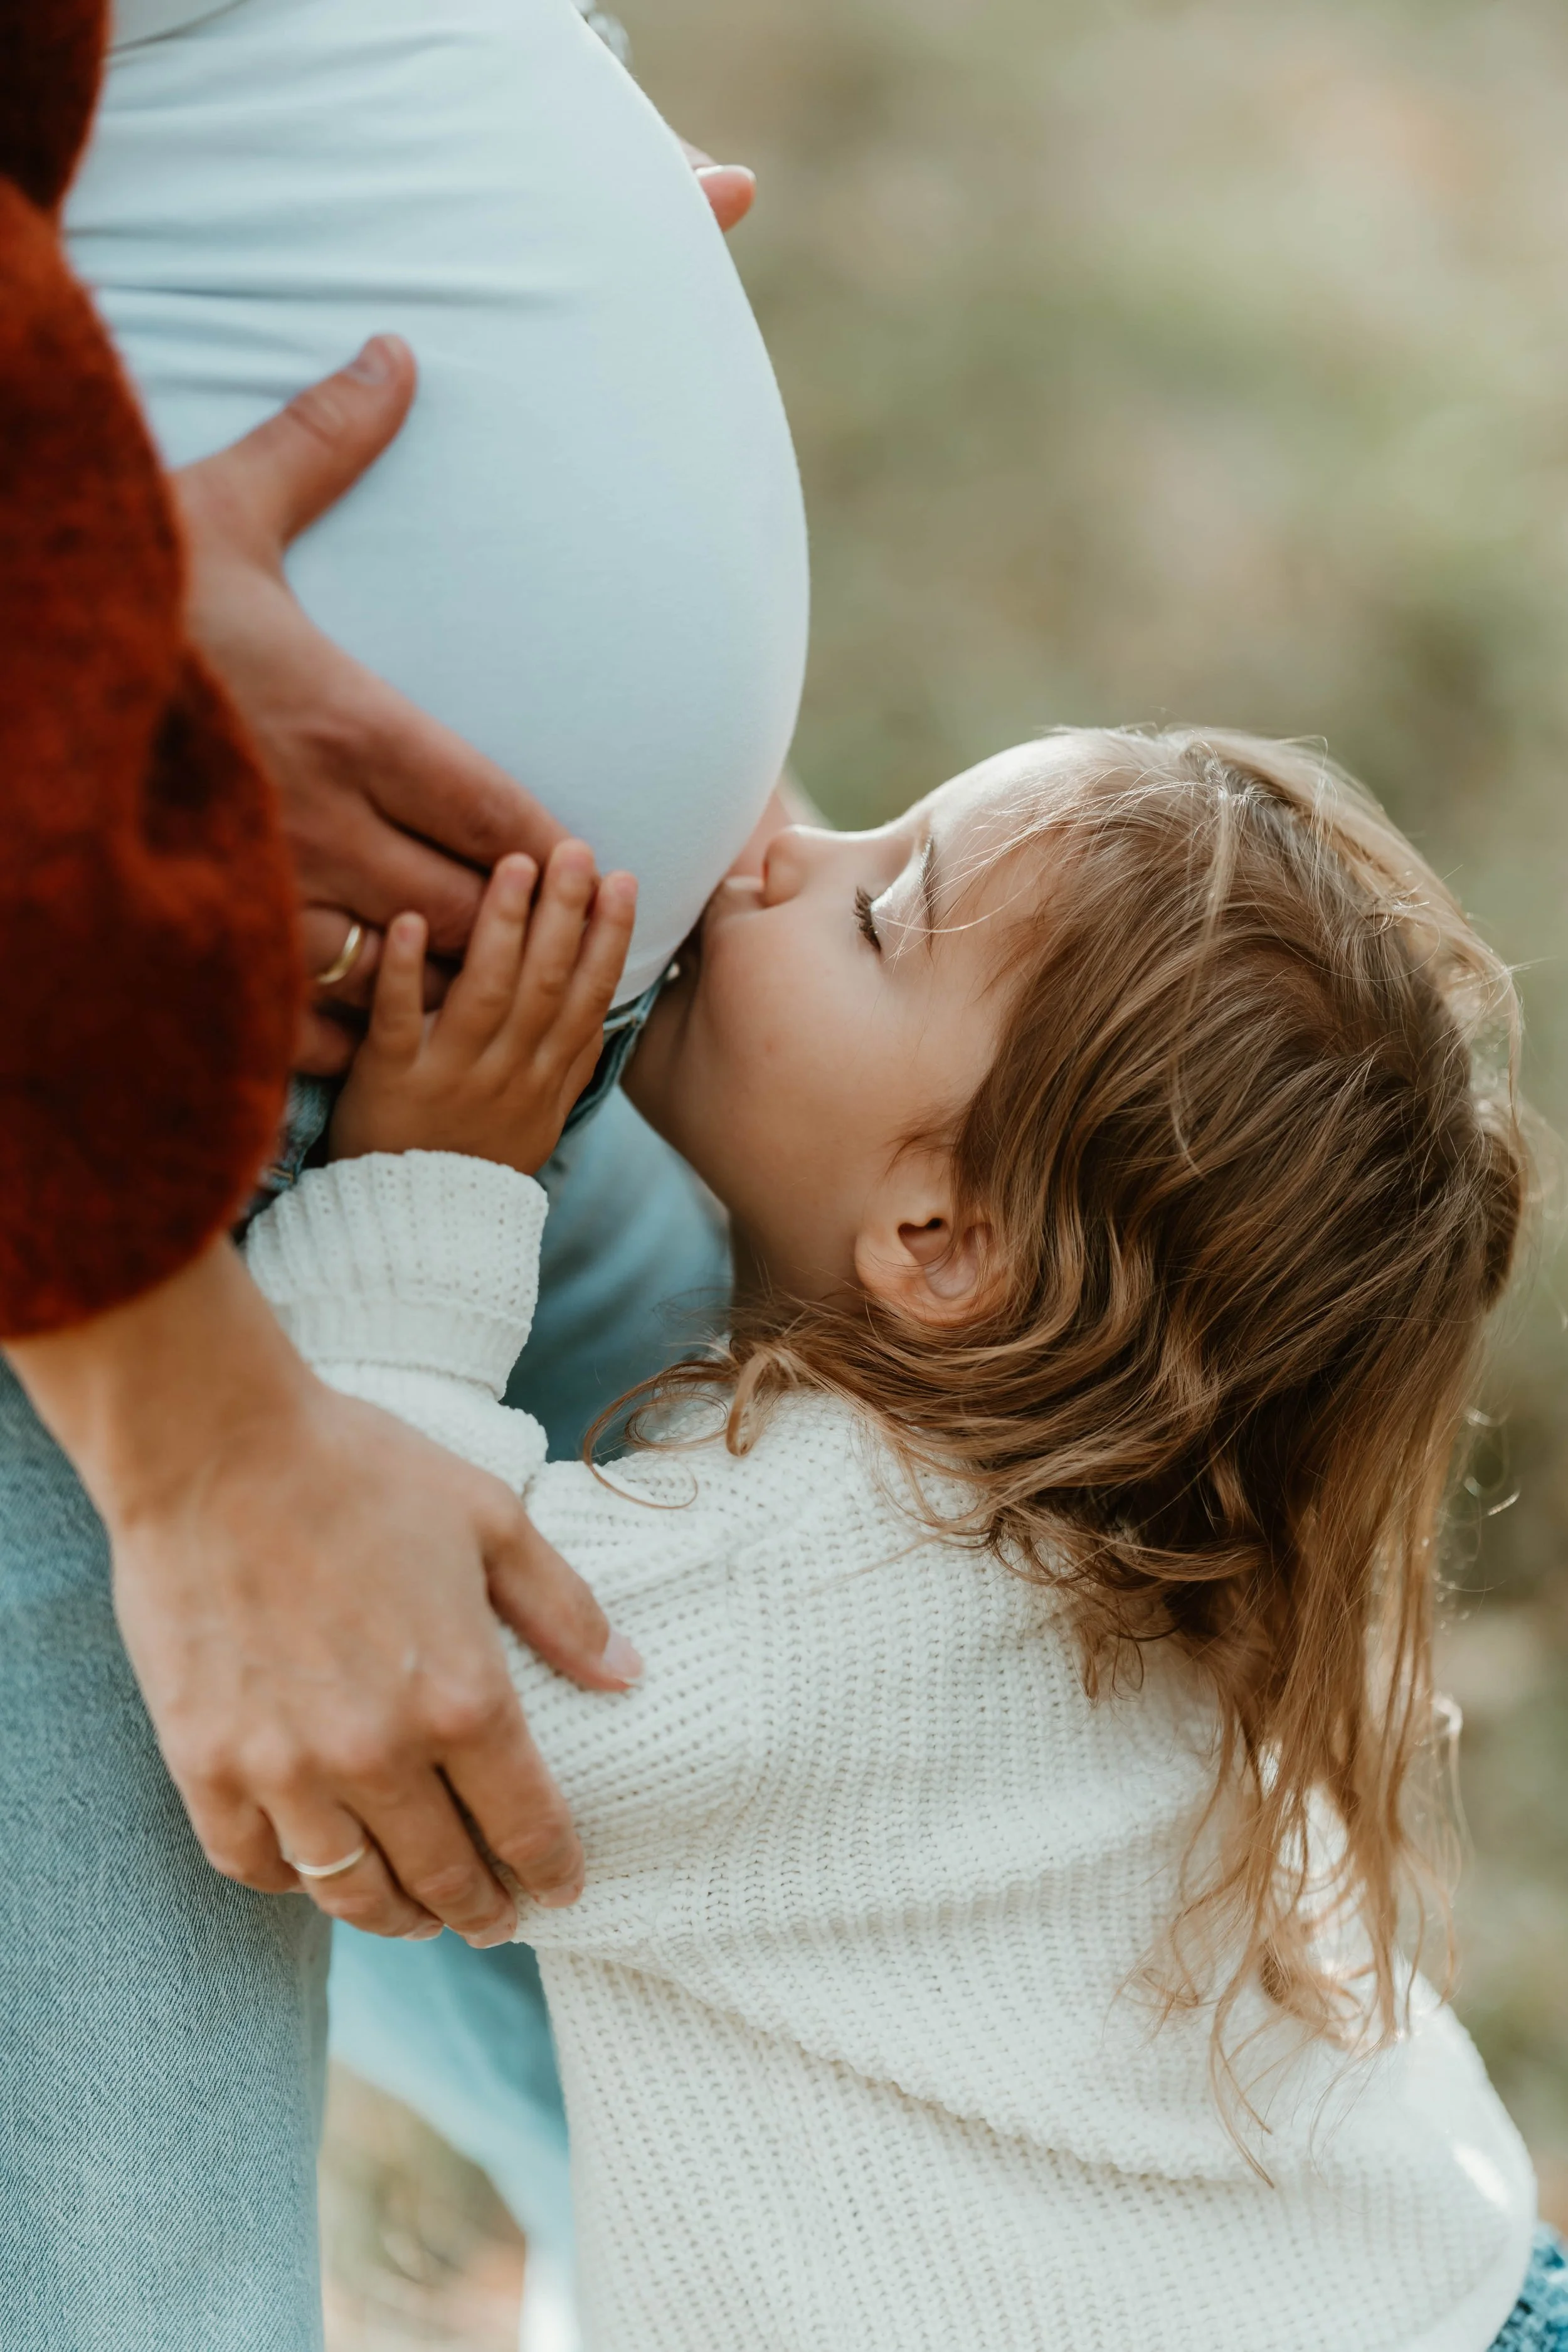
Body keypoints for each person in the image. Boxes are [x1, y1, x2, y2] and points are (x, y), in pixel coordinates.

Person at [247, 726, 1560, 2350]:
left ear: (941, 1240)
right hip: (1420, 2287)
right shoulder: (1127, 1500)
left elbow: (373, 1644)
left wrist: (416, 1184)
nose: (779, 860)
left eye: (874, 915)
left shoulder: (824, 1585)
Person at [2, 1, 807, 2341]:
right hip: (93, 1173)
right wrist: (196, 1451)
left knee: (819, 2036)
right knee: (133, 2282)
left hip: (532, 1055)